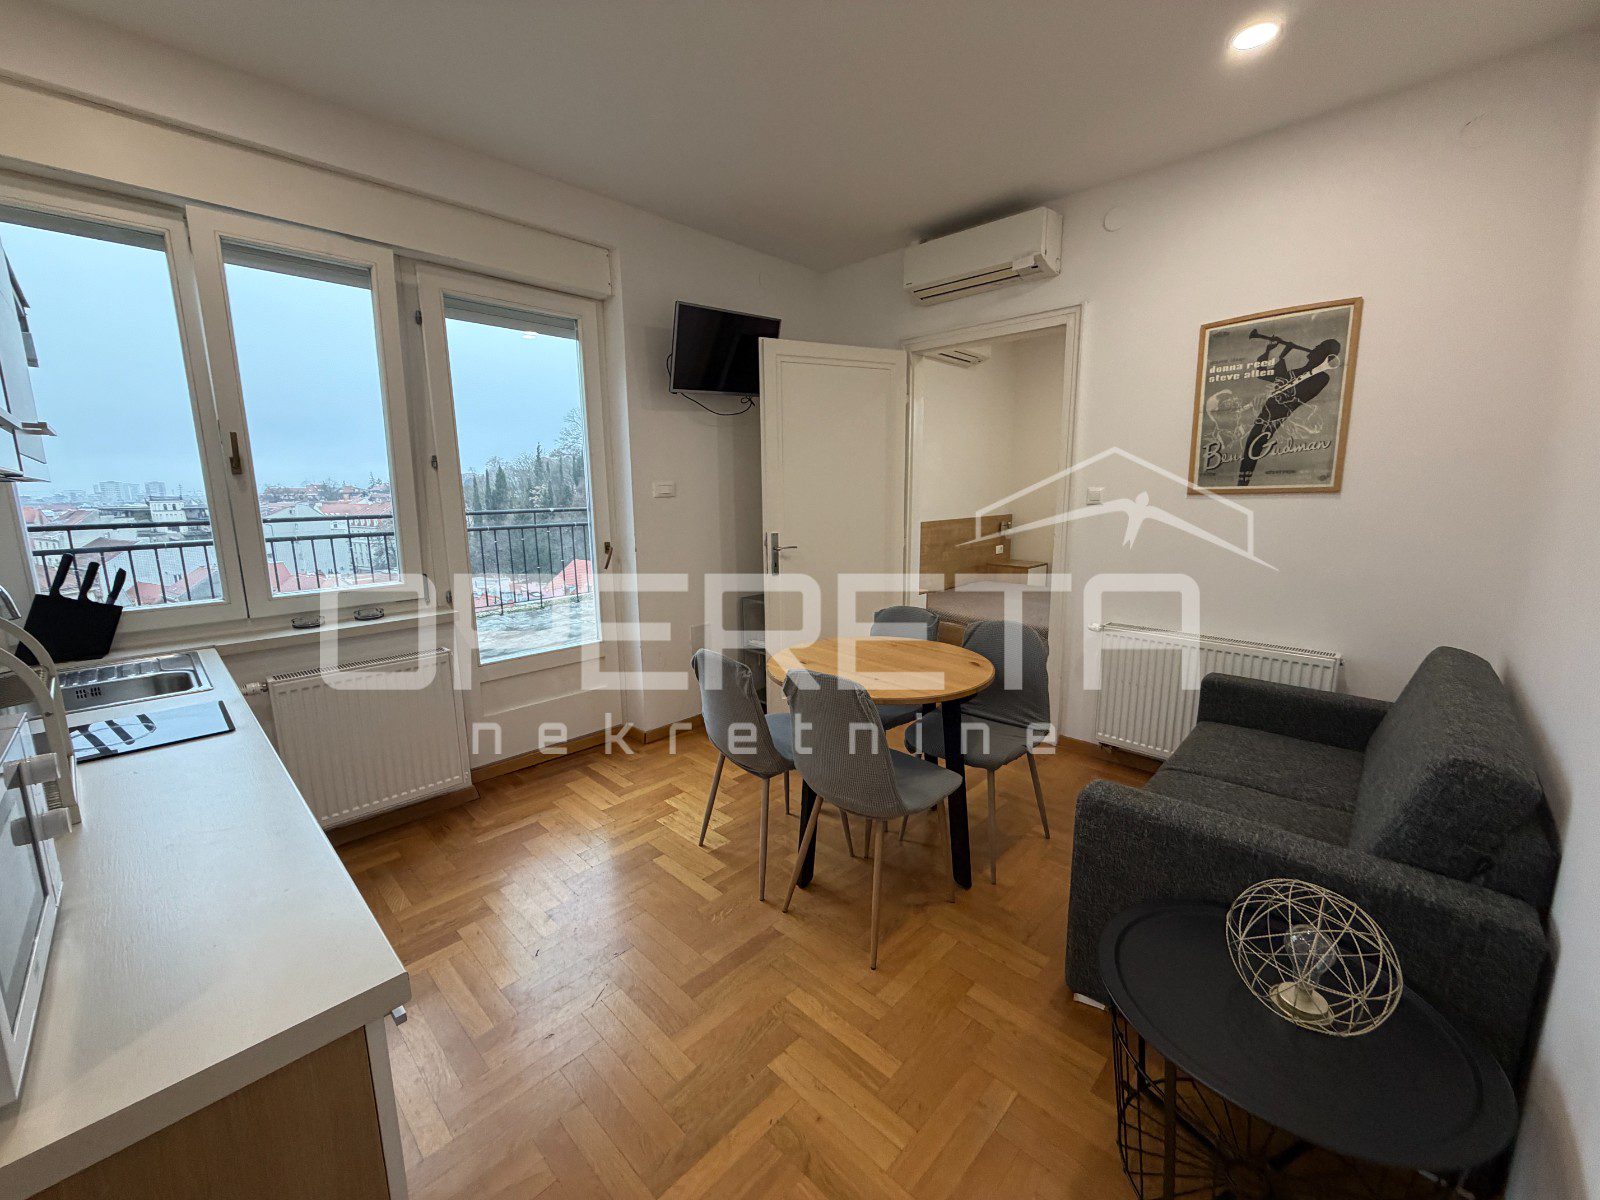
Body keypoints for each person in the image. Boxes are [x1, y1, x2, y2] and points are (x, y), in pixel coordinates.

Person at [1237, 335, 1341, 486]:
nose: (1316, 347)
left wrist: (1281, 392)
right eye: (1318, 345)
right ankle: (1241, 486)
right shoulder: (1296, 372)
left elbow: (1299, 396)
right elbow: (1262, 373)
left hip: (1275, 420)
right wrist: (1270, 351)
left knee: (1253, 450)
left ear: (1328, 356)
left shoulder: (1322, 377)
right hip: (1264, 416)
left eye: (1320, 347)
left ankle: (1242, 486)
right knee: (1249, 450)